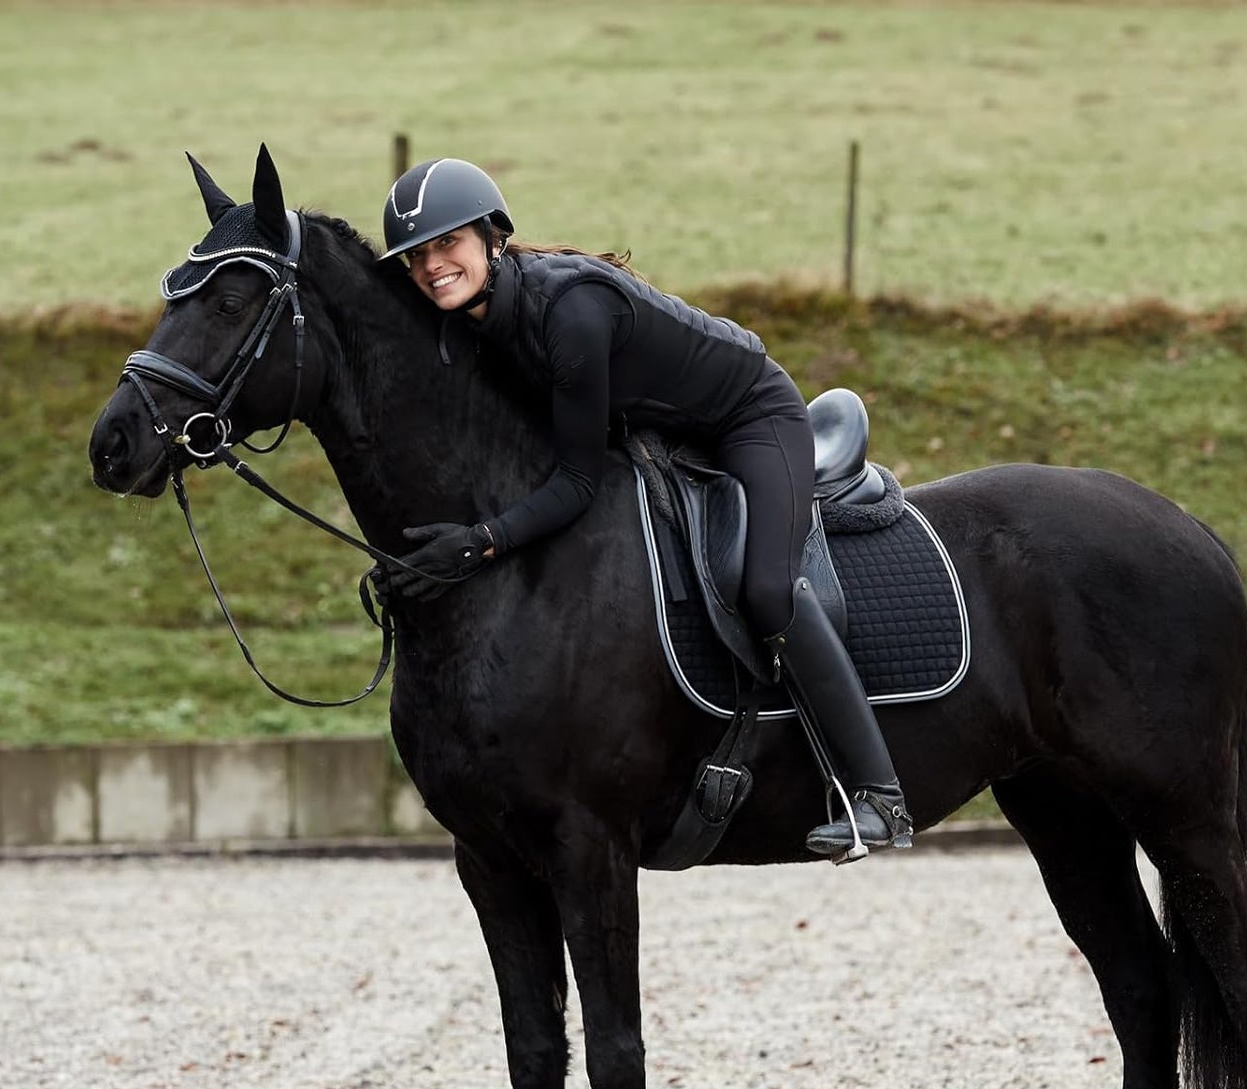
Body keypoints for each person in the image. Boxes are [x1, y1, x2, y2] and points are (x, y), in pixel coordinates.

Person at [376, 157, 912, 857]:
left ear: (491, 238)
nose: (432, 265)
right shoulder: (474, 317)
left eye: (447, 244)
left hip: (748, 417)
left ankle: (879, 794)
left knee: (766, 585)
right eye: (417, 256)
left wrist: (480, 541)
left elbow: (574, 482)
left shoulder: (569, 313)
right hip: (664, 430)